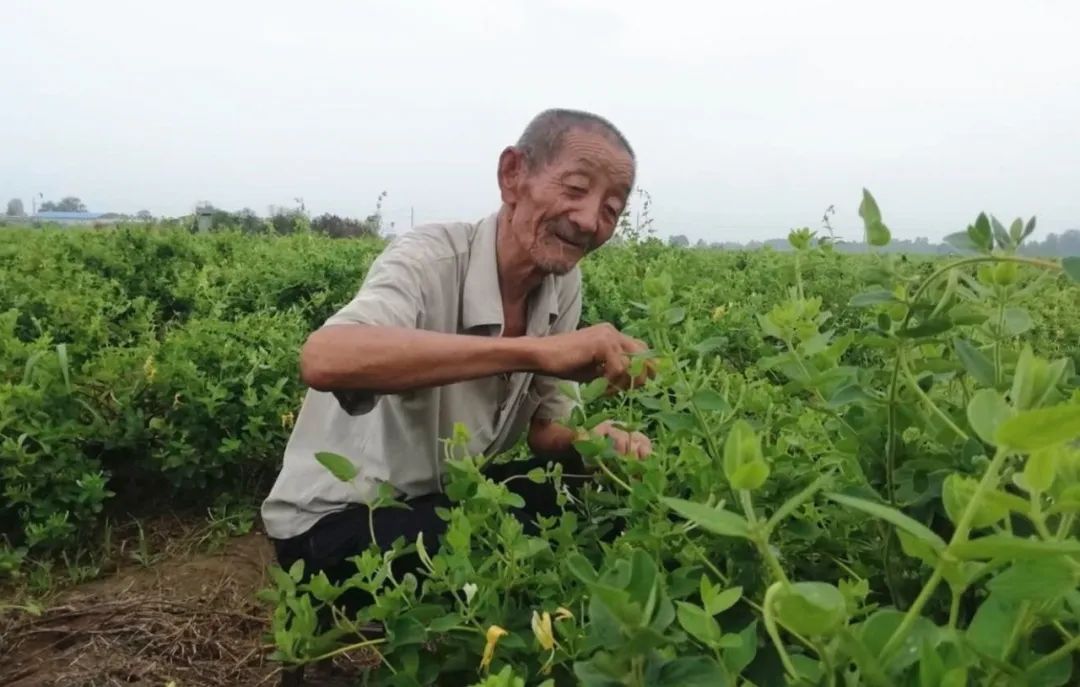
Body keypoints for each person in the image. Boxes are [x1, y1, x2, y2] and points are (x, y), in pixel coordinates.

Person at [261, 108, 655, 616]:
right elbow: (324, 357)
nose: (588, 220)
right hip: (340, 523)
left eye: (611, 209)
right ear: (513, 176)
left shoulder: (561, 284)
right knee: (508, 550)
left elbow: (544, 430)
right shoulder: (430, 258)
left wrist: (595, 445)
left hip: (445, 501)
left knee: (598, 501)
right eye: (576, 188)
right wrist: (535, 351)